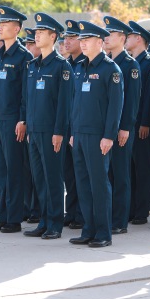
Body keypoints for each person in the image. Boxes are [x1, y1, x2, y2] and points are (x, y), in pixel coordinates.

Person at [69, 20, 123, 248]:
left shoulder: (110, 69)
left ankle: (103, 232)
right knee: (82, 183)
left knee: (99, 184)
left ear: (100, 42)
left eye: (87, 40)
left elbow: (115, 106)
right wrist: (73, 131)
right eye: (81, 40)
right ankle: (88, 229)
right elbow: (75, 103)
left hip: (98, 135)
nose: (82, 44)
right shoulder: (80, 67)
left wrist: (109, 135)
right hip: (80, 134)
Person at [22, 12, 72, 240]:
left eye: (41, 33)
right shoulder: (32, 66)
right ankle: (43, 220)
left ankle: (55, 223)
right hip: (34, 130)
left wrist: (59, 131)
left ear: (53, 36)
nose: (36, 35)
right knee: (39, 178)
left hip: (52, 132)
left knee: (53, 179)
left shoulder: (61, 67)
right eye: (36, 32)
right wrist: (25, 123)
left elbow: (64, 104)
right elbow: (27, 98)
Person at [0, 6, 33, 234]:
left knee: (14, 171)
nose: (0, 27)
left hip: (14, 121)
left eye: (5, 24)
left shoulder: (23, 57)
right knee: (1, 171)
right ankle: (2, 215)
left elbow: (25, 93)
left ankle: (14, 217)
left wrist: (23, 119)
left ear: (17, 28)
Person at [103, 16, 141, 234]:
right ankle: (109, 215)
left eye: (111, 35)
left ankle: (120, 220)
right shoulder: (107, 63)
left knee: (121, 173)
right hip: (107, 128)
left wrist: (125, 127)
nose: (106, 38)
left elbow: (132, 101)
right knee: (108, 174)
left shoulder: (130, 65)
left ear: (122, 38)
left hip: (122, 129)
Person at [126, 20, 150, 225]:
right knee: (130, 167)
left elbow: (149, 97)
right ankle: (132, 206)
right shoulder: (131, 62)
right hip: (130, 123)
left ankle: (143, 208)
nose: (126, 40)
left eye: (129, 37)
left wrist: (145, 122)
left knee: (144, 167)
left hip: (142, 124)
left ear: (139, 39)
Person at [61, 20, 85, 229]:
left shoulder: (86, 64)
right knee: (69, 173)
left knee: (80, 174)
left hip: (81, 128)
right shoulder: (68, 65)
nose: (66, 41)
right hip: (67, 126)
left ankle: (81, 214)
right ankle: (71, 210)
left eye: (71, 37)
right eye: (65, 37)